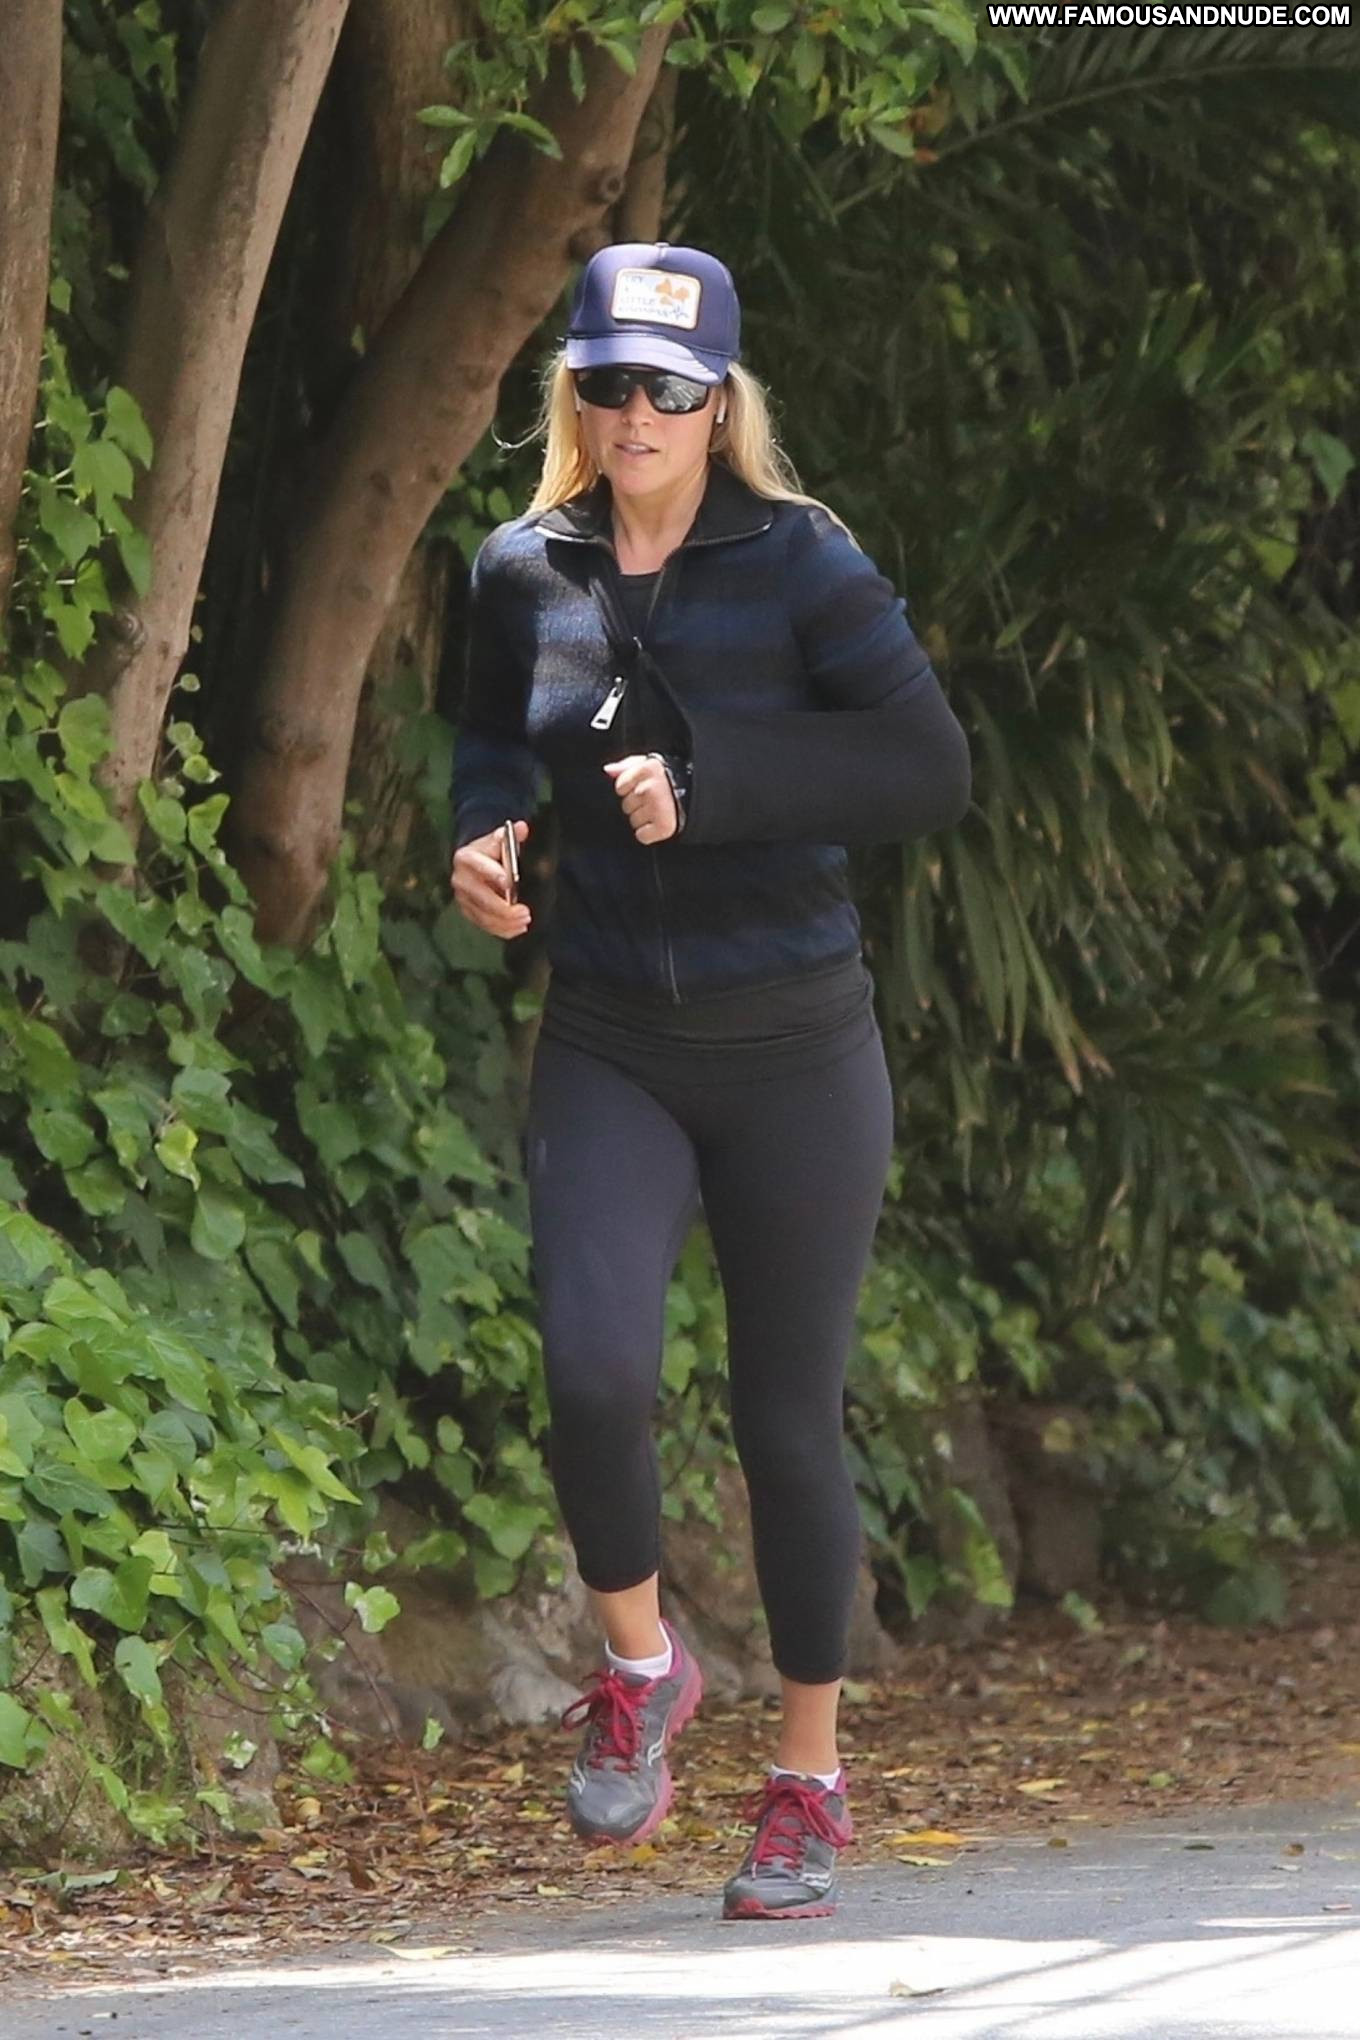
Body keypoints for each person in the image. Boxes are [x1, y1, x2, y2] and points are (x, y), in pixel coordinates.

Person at [449, 241, 971, 1922]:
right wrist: (483, 837)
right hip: (612, 1034)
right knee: (593, 1370)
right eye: (607, 384)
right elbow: (490, 739)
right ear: (574, 395)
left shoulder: (803, 561)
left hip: (797, 1046)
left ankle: (806, 1782)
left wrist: (717, 780)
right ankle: (642, 1665)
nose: (636, 416)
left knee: (784, 1422)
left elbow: (926, 767)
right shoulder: (522, 568)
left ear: (720, 401)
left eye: (669, 390)